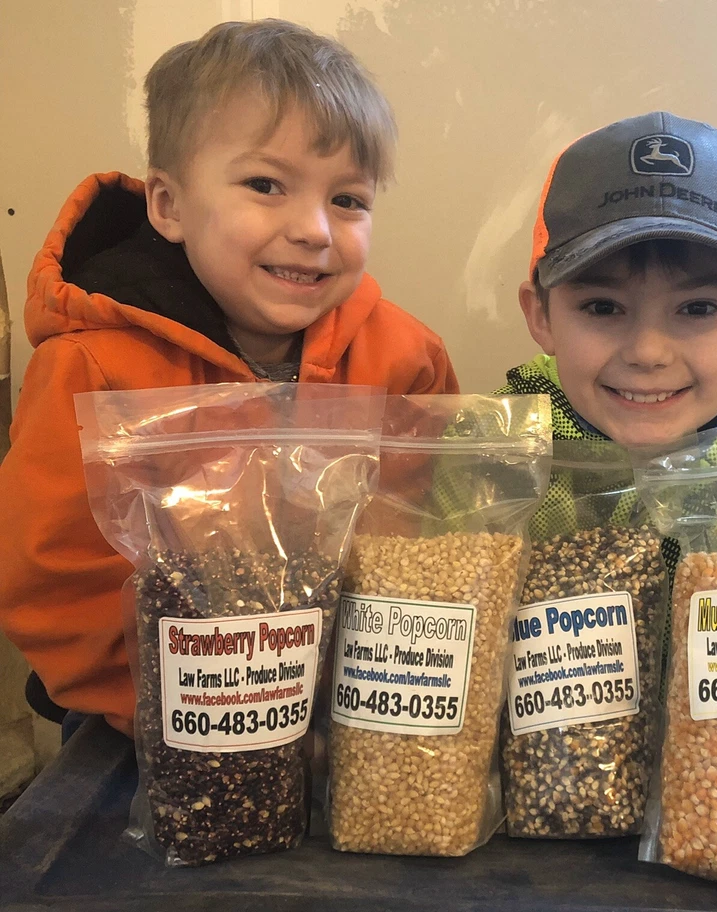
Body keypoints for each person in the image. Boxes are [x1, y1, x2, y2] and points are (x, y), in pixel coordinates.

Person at [0, 19, 458, 738]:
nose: (315, 228)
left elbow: (421, 545)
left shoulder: (407, 359)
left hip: (353, 707)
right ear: (169, 206)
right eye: (266, 184)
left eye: (349, 199)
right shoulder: (91, 369)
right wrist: (187, 712)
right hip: (152, 719)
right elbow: (53, 580)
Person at [499, 110, 717, 542]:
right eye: (603, 308)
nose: (648, 353)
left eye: (699, 308)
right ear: (541, 316)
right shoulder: (496, 446)